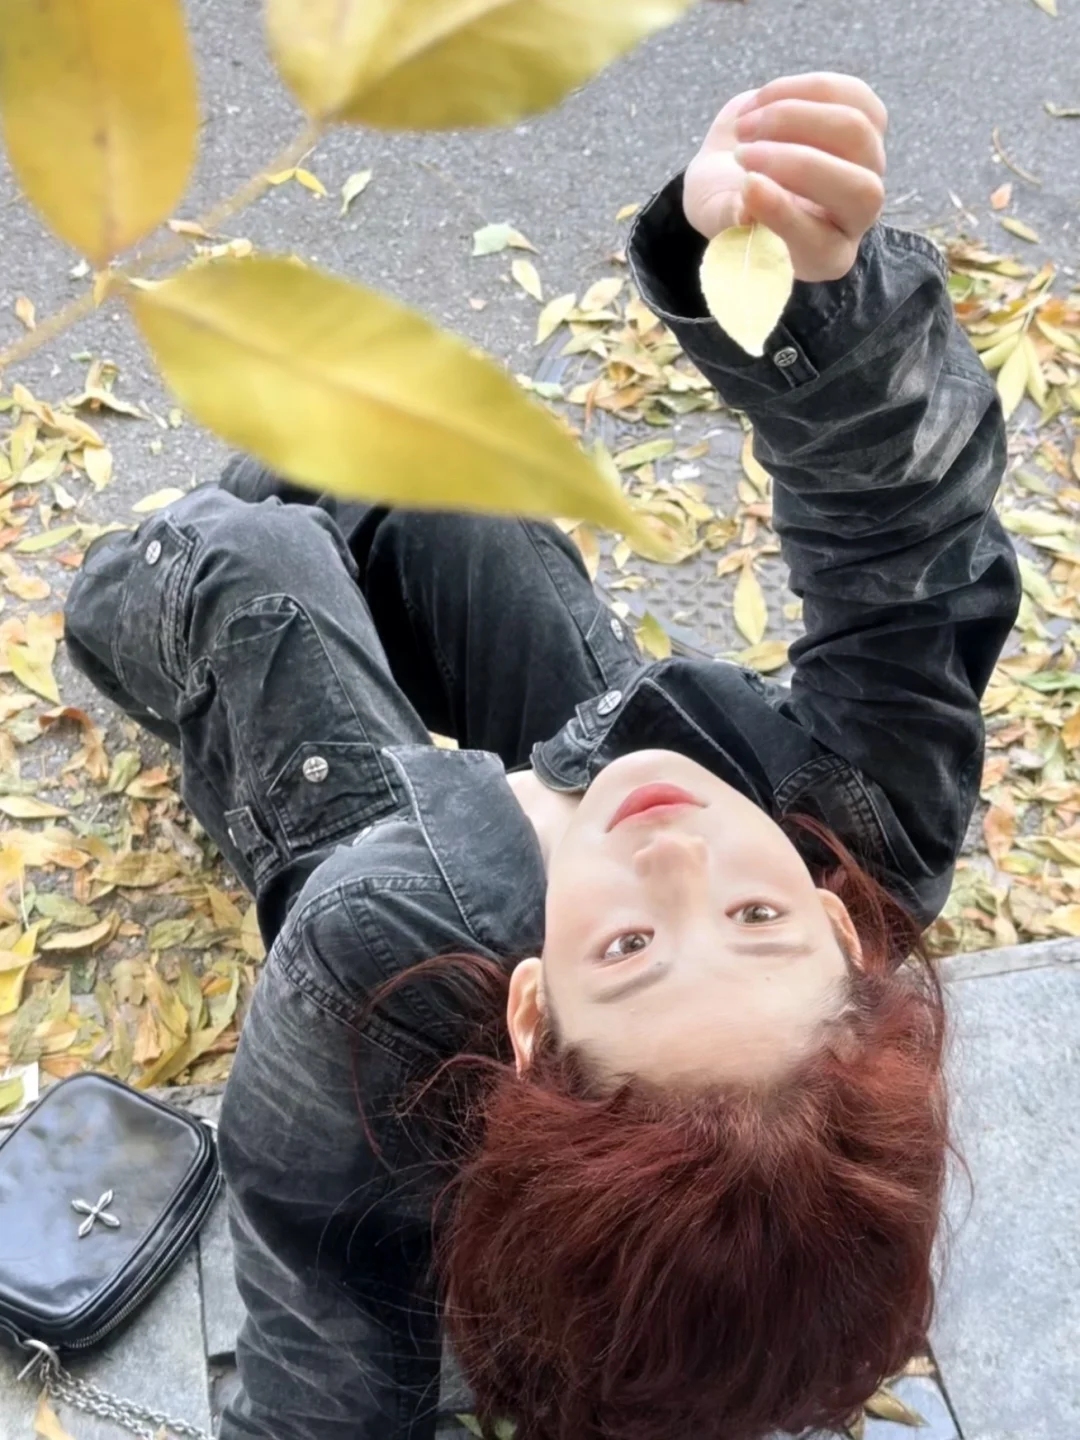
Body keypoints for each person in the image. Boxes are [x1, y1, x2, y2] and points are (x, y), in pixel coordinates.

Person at [64, 72, 1019, 1440]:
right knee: (451, 485)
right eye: (756, 920)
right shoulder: (864, 829)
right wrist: (805, 295)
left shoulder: (366, 962)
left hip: (401, 917)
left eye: (630, 950)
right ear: (838, 927)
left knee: (244, 569)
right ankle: (326, 492)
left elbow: (323, 1335)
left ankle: (187, 560)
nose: (675, 849)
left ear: (527, 1016)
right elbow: (913, 552)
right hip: (584, 744)